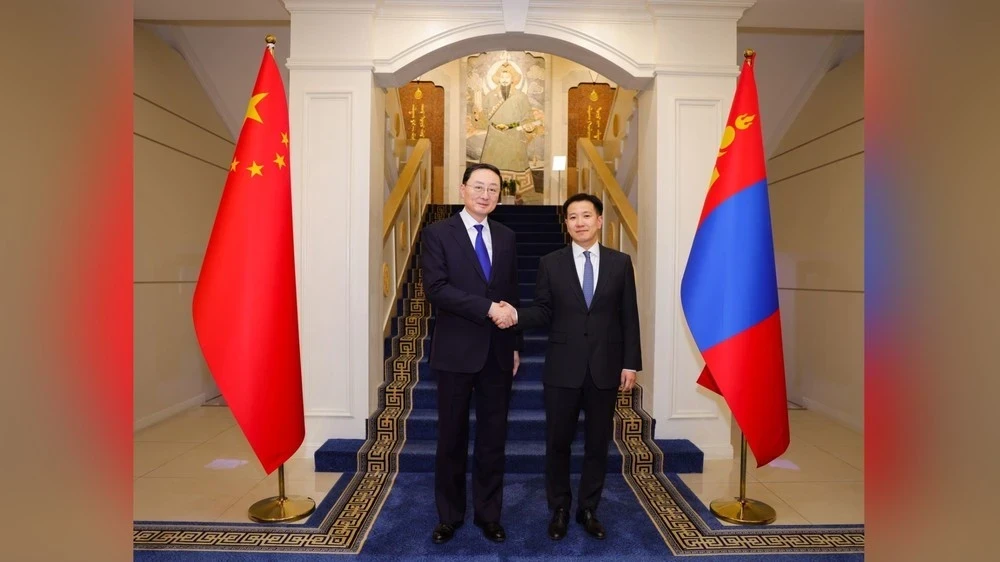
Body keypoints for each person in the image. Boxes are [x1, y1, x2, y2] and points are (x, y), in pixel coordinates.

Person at [493, 193, 641, 541]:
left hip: (605, 367)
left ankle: (588, 508)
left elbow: (629, 317)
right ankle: (559, 507)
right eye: (572, 217)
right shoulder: (551, 263)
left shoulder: (620, 263)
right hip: (562, 368)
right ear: (566, 223)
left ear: (599, 220)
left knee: (597, 444)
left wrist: (630, 363)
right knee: (557, 442)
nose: (580, 222)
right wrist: (516, 315)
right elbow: (543, 310)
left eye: (586, 215)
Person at [420, 163, 522, 545]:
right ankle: (449, 516)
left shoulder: (507, 236)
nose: (485, 194)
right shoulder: (437, 233)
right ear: (462, 189)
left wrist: (516, 345)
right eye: (478, 186)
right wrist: (486, 308)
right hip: (455, 353)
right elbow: (437, 289)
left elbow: (512, 293)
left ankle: (489, 515)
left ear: (499, 195)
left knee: (493, 439)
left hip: (498, 352)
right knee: (451, 438)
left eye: (493, 189)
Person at [476, 62, 537, 175]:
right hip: (494, 136)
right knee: (491, 169)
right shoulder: (490, 96)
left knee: (515, 166)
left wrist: (529, 125)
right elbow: (483, 120)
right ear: (498, 79)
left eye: (507, 77)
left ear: (513, 79)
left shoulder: (521, 96)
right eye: (502, 77)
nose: (504, 79)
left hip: (514, 135)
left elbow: (528, 116)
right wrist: (477, 115)